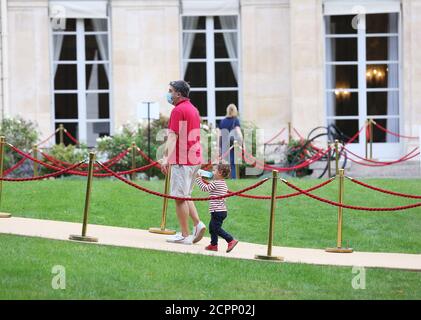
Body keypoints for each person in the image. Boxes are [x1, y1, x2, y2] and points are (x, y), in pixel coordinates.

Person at [160, 80, 206, 245]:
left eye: (171, 91)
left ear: (178, 94)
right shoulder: (193, 109)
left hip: (183, 159)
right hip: (194, 158)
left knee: (179, 198)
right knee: (186, 194)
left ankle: (185, 235)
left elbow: (173, 136)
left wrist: (166, 158)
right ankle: (197, 224)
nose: (169, 94)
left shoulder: (178, 110)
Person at [195, 163, 239, 253]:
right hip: (220, 211)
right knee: (212, 227)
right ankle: (213, 245)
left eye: (214, 170)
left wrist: (198, 179)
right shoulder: (223, 183)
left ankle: (230, 240)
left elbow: (204, 188)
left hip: (217, 211)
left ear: (220, 172)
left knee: (216, 229)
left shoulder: (216, 183)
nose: (212, 172)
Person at [217, 104, 243, 179]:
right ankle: (233, 178)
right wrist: (241, 143)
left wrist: (218, 146)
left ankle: (224, 179)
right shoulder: (236, 120)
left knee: (225, 164)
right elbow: (239, 134)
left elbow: (219, 135)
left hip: (224, 145)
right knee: (232, 163)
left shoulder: (222, 121)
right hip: (232, 145)